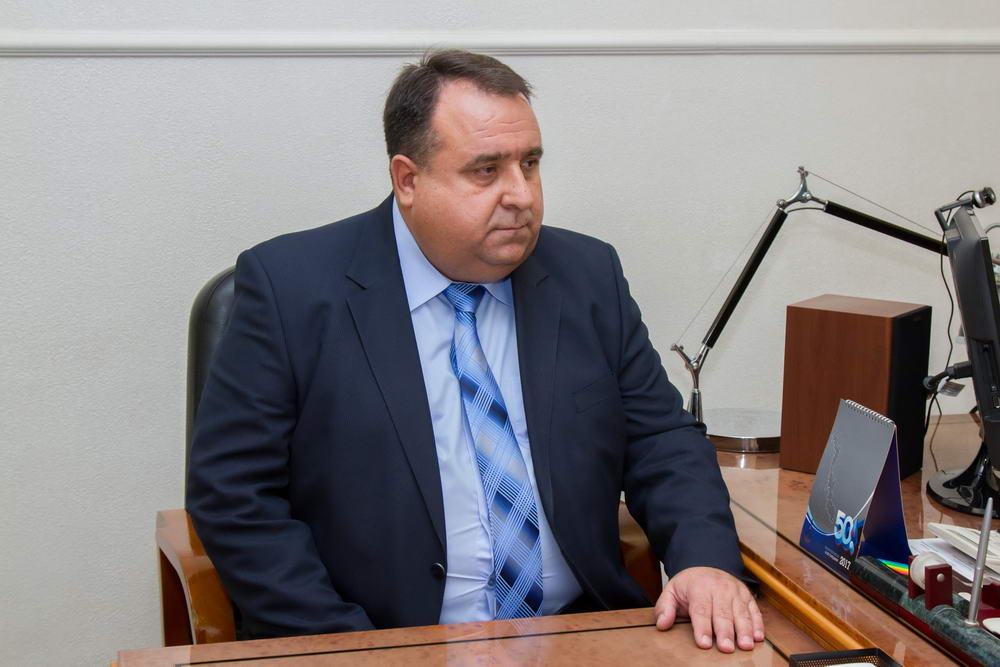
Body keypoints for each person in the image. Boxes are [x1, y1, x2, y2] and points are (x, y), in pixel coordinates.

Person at [187, 49, 764, 653]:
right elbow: (234, 496)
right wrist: (351, 649)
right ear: (408, 180)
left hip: (579, 632)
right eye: (486, 171)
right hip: (381, 641)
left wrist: (704, 562)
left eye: (530, 164)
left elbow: (661, 441)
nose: (521, 195)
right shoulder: (290, 291)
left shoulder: (587, 275)